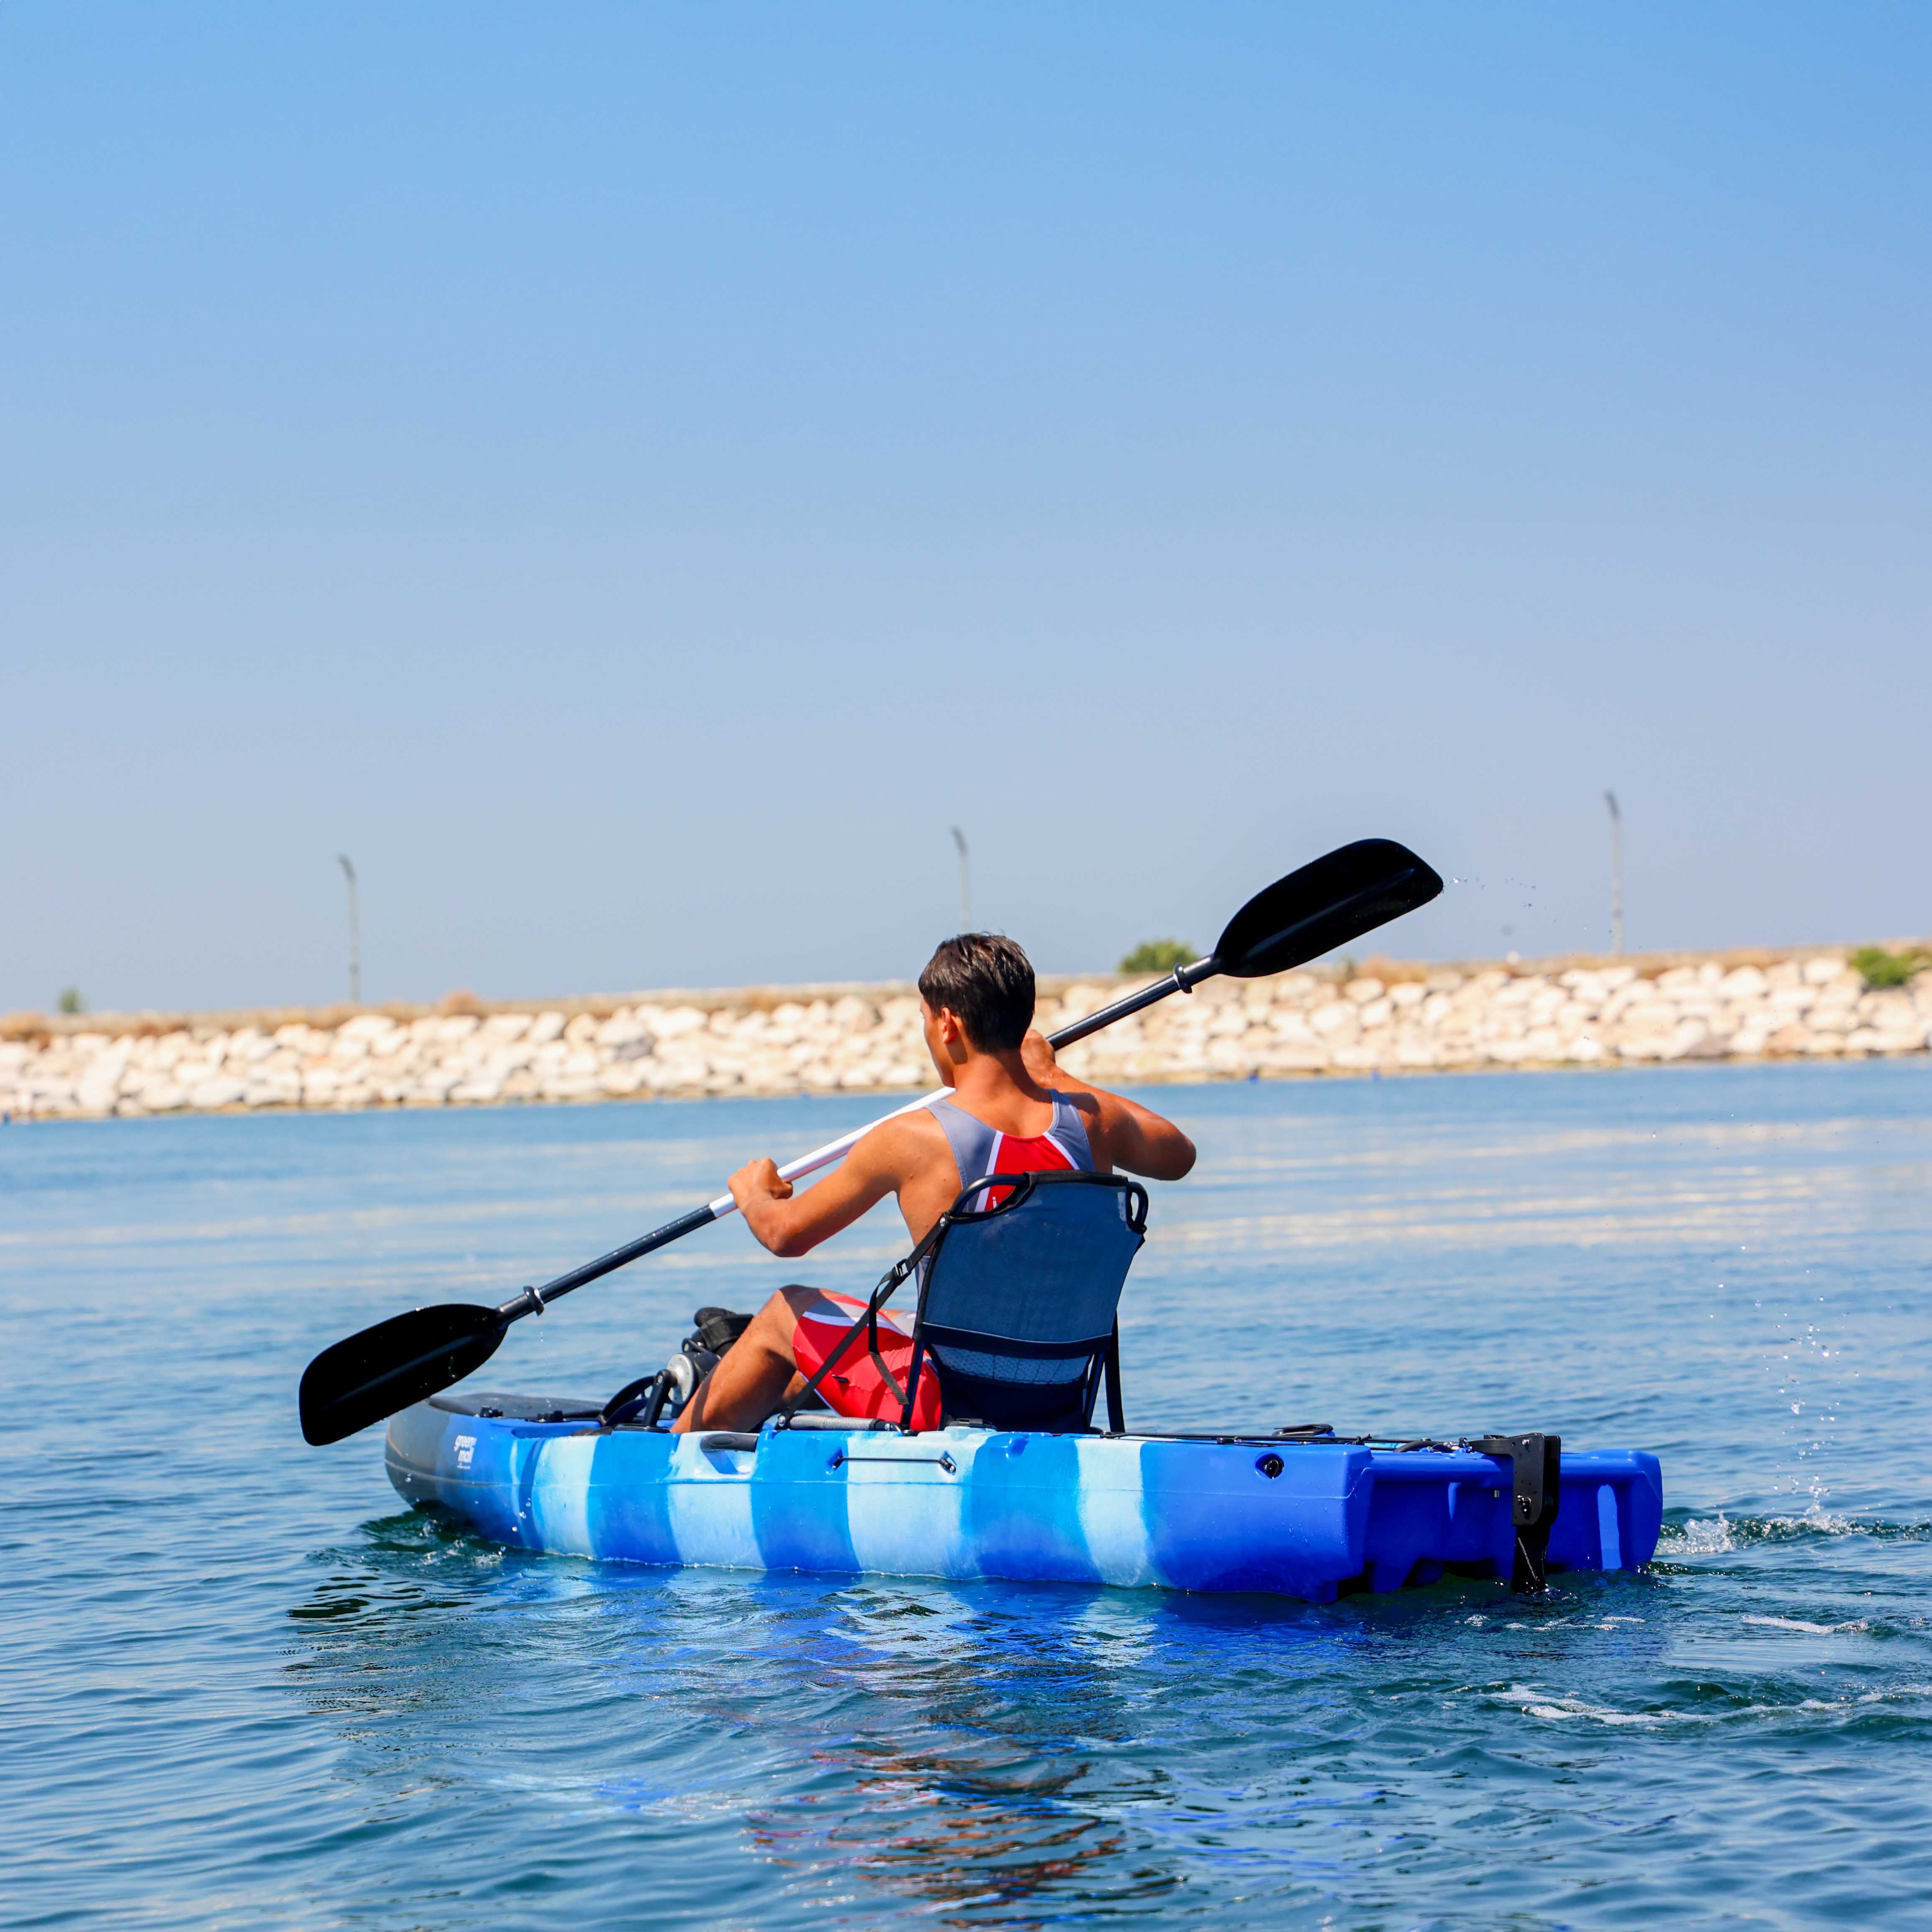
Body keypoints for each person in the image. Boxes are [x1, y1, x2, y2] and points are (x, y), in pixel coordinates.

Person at [673, 933, 1196, 1434]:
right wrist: (1055, 1079)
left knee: (783, 1312)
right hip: (1059, 1391)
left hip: (943, 1403)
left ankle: (668, 1455)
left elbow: (785, 1235)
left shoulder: (910, 1139)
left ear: (948, 1024)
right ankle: (772, 1403)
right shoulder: (1091, 1121)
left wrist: (753, 1194)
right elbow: (1179, 1155)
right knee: (897, 1320)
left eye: (924, 1021)